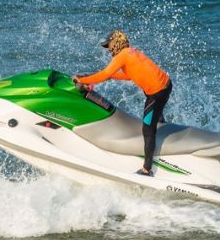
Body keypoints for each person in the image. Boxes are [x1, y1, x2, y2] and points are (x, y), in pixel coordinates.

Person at [73, 30, 172, 176]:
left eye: (109, 46)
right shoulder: (130, 52)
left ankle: (147, 169)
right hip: (165, 86)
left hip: (157, 93)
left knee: (147, 129)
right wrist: (111, 76)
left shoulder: (122, 55)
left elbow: (105, 74)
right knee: (155, 115)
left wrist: (81, 80)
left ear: (116, 43)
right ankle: (161, 126)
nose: (109, 50)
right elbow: (128, 75)